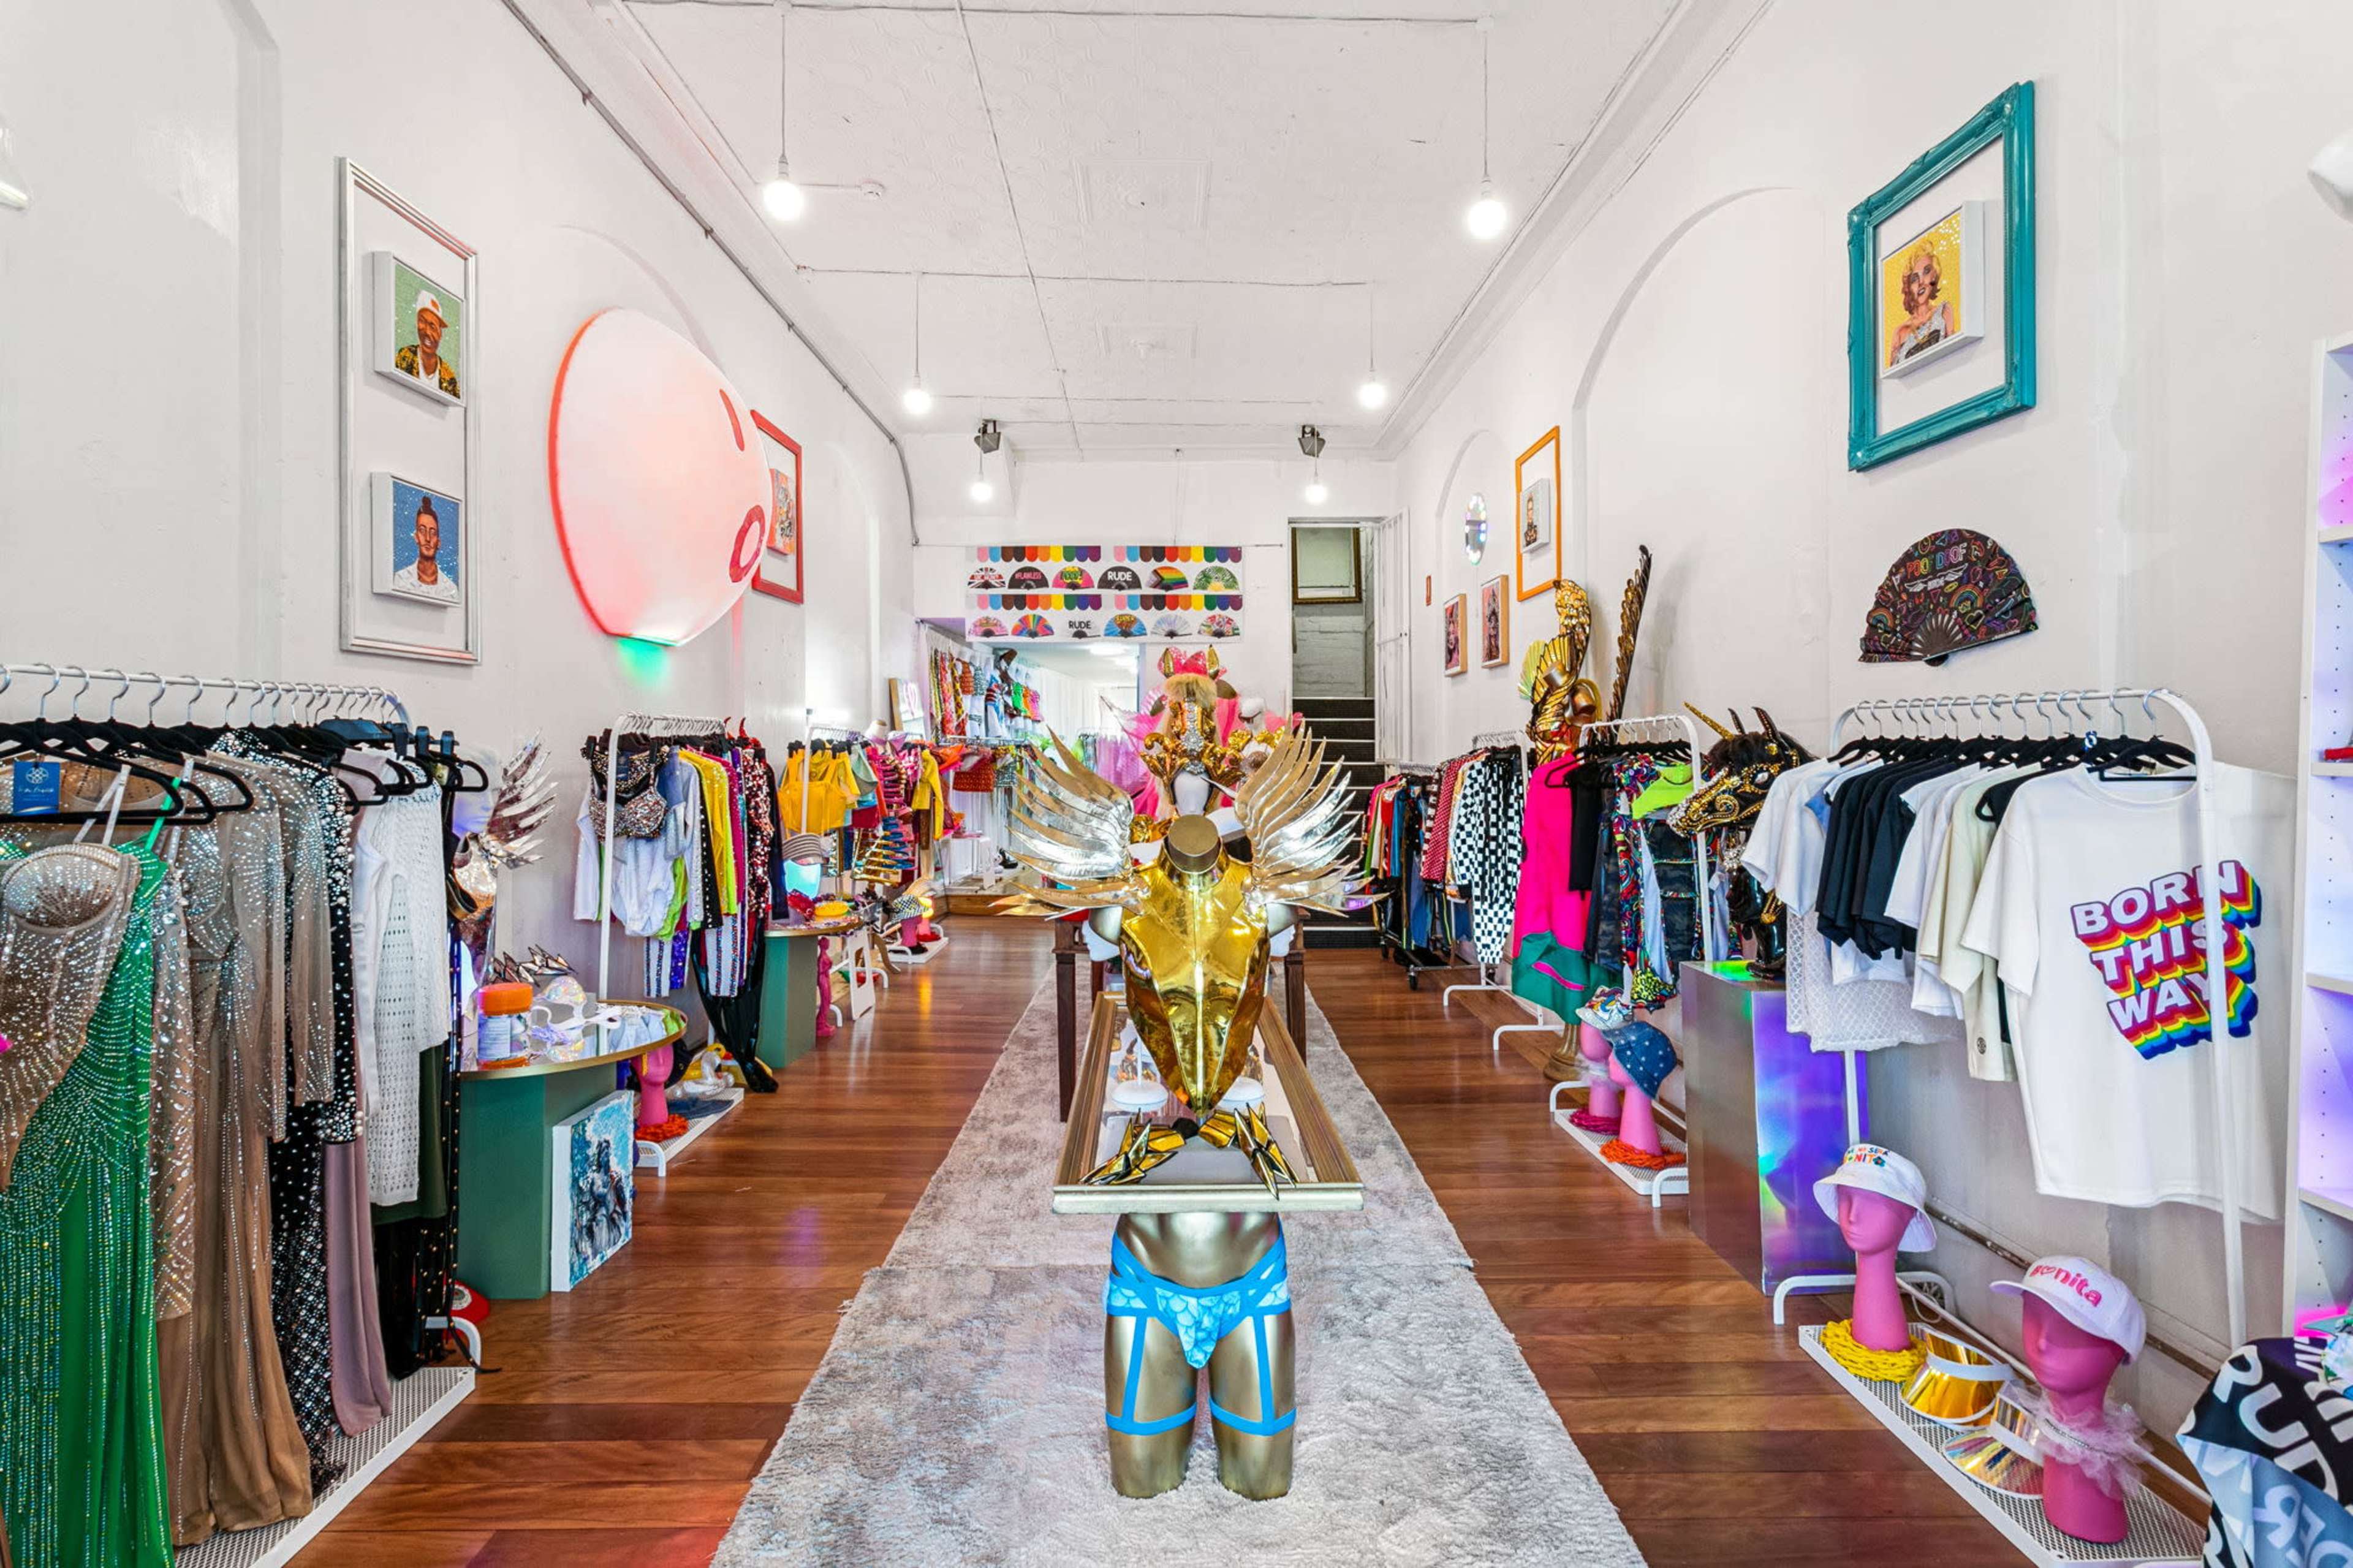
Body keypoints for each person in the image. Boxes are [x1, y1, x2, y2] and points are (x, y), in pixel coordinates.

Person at [1887, 243, 1955, 366]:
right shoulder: (1900, 332)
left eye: (1926, 272)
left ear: (1934, 275)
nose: (1921, 283)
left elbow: (1955, 356)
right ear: (1909, 288)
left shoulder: (1944, 311)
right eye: (1914, 279)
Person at [390, 495, 460, 604]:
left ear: (439, 542)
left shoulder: (451, 589)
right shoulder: (401, 579)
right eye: (422, 531)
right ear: (416, 537)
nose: (428, 538)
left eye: (433, 533)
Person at [394, 289, 461, 397]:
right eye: (422, 322)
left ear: (440, 334)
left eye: (432, 326)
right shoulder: (405, 357)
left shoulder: (449, 377)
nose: (427, 332)